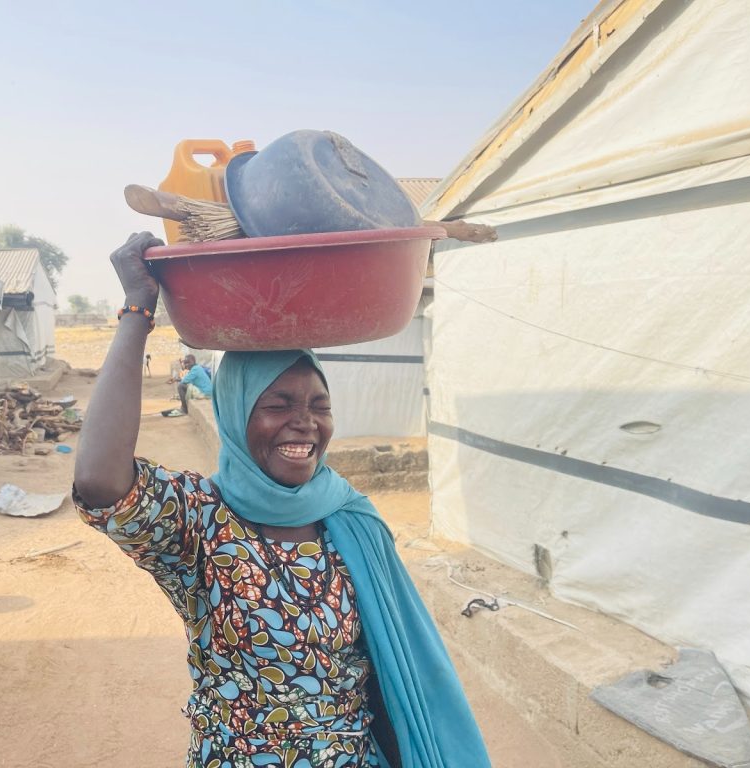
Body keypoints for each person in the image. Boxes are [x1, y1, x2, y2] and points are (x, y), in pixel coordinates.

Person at [74, 232, 490, 768]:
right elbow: (100, 481)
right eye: (279, 403)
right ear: (234, 409)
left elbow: (391, 674)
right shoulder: (200, 520)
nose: (306, 421)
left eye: (320, 404)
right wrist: (137, 309)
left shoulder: (350, 517)